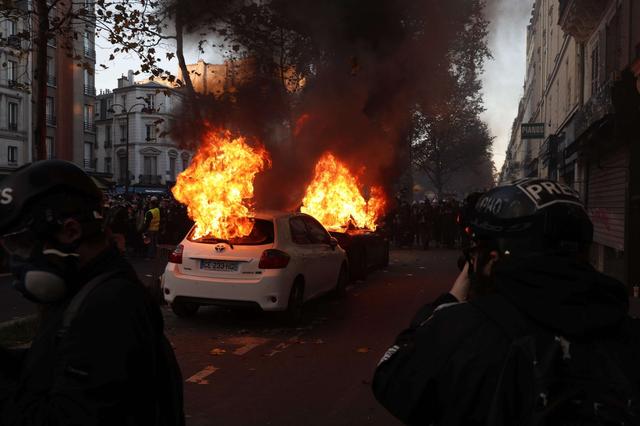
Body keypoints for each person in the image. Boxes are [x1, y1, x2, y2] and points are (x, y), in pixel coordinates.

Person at [372, 178, 640, 425]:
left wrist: (451, 298)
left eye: (477, 248)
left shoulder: (461, 331)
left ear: (492, 259)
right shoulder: (628, 331)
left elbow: (392, 379)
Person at [0, 160, 184, 426]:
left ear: (71, 231)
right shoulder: (86, 288)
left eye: (22, 244)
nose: (15, 259)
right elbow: (45, 371)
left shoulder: (109, 307)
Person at [143, 196, 161, 260]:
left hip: (150, 230)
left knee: (150, 243)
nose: (149, 205)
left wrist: (144, 231)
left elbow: (147, 223)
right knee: (154, 243)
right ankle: (154, 255)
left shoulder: (150, 212)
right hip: (156, 229)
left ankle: (149, 256)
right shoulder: (157, 210)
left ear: (152, 204)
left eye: (150, 204)